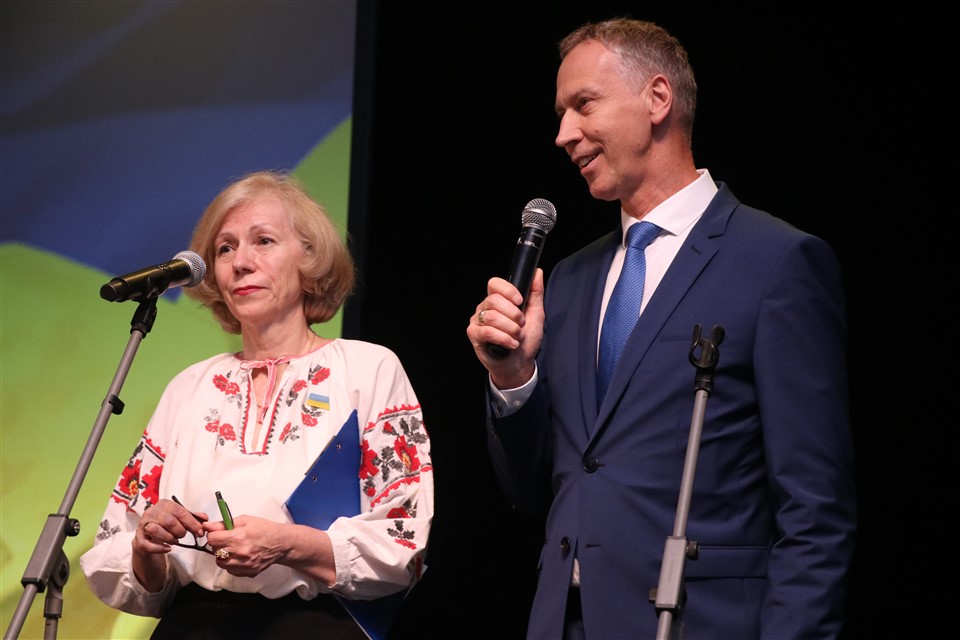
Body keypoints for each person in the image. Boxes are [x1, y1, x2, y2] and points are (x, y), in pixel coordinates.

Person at [465, 17, 856, 640]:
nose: (564, 134)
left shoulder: (775, 262)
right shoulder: (569, 278)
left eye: (583, 104)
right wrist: (513, 377)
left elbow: (815, 511)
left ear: (657, 98)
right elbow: (535, 490)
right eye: (561, 114)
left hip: (698, 622)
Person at [80, 170, 434, 639]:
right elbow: (133, 569)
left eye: (263, 241)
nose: (240, 263)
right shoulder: (190, 386)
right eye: (225, 249)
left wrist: (286, 544)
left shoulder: (367, 369)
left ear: (309, 258)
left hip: (312, 627)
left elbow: (404, 538)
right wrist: (148, 546)